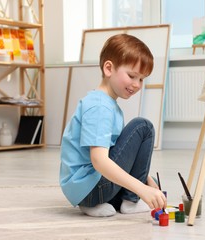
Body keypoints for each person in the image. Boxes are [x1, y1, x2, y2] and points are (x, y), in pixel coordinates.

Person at [59, 34, 167, 217]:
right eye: (132, 76)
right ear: (109, 68)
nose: (137, 84)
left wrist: (145, 179)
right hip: (90, 189)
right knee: (143, 127)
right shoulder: (100, 107)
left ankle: (111, 200)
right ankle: (129, 202)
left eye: (141, 79)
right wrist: (140, 189)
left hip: (87, 188)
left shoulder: (106, 104)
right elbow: (99, 160)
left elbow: (114, 152)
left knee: (150, 181)